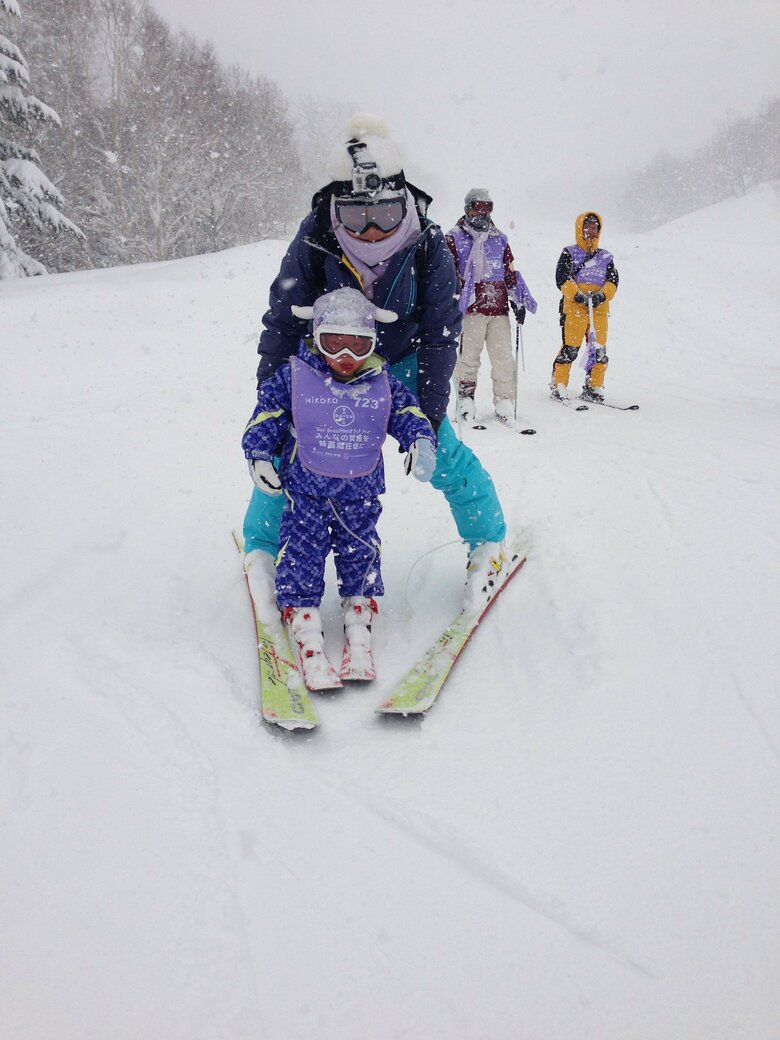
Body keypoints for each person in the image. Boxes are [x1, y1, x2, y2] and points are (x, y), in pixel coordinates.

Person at [242, 113, 511, 616]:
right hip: (326, 365)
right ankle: (262, 547)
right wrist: (273, 404)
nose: (369, 230)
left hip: (401, 363)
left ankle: (487, 542)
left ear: (403, 201)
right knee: (289, 454)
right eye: (355, 216)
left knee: (442, 453)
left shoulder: (427, 244)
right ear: (335, 208)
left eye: (385, 215)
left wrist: (427, 415)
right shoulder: (315, 237)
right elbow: (282, 321)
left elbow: (441, 333)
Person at [242, 287, 436, 686]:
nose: (346, 356)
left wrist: (419, 440)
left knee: (361, 553)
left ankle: (359, 617)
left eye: (357, 345)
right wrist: (258, 453)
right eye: (334, 344)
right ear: (316, 338)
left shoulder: (382, 383)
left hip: (359, 494)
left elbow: (407, 411)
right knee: (301, 553)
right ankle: (304, 620)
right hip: (306, 492)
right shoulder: (295, 377)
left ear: (372, 343)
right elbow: (268, 412)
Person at [446, 189, 537, 425]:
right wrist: (449, 301)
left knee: (503, 358)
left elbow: (510, 271)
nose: (483, 213)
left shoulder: (499, 239)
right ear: (468, 209)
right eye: (478, 207)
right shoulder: (454, 238)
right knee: (468, 357)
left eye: (488, 208)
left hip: (498, 308)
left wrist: (517, 299)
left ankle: (504, 400)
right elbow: (447, 274)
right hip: (470, 309)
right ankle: (466, 399)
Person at [550, 211, 619, 403]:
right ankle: (559, 384)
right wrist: (577, 295)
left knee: (598, 350)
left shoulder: (605, 257)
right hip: (574, 309)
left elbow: (613, 281)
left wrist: (602, 295)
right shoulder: (569, 253)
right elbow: (562, 278)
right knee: (570, 348)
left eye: (594, 227)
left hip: (599, 310)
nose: (590, 231)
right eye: (587, 227)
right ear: (580, 228)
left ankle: (594, 385)